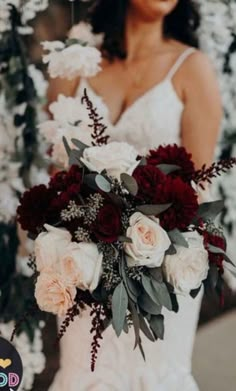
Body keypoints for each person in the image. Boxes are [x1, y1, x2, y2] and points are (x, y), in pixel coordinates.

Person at [48, 1, 222, 390]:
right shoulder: (73, 67)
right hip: (81, 268)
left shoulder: (193, 68)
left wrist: (143, 237)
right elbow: (55, 181)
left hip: (161, 268)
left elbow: (199, 190)